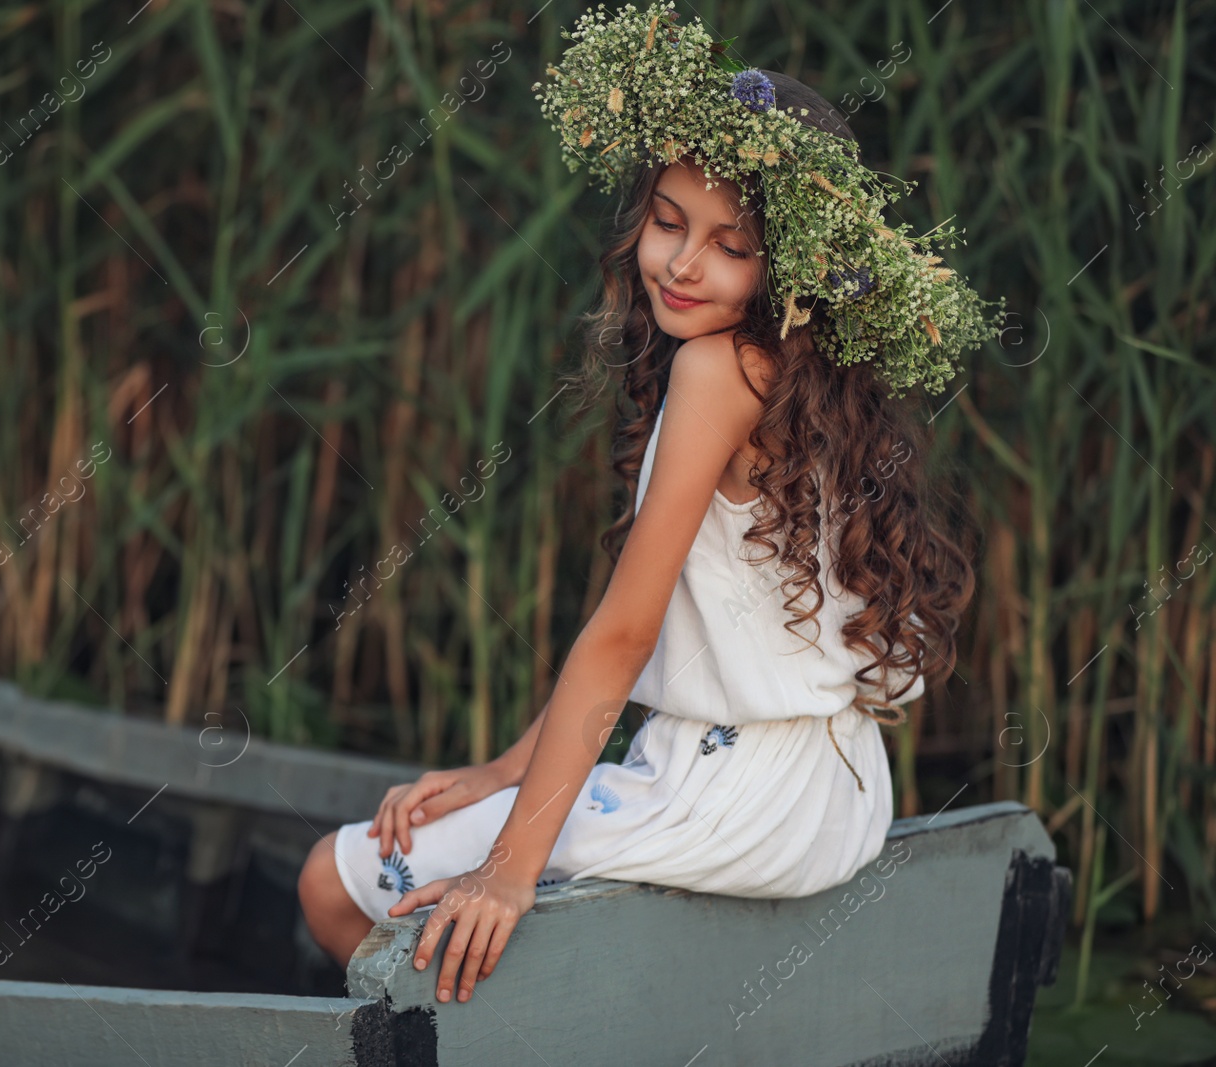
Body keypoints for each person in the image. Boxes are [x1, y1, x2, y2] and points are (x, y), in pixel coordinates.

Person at [297, 3, 999, 1006]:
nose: (680, 264)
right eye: (667, 223)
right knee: (451, 865)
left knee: (330, 881)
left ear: (788, 262)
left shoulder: (715, 370)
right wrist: (505, 768)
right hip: (834, 793)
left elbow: (624, 634)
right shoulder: (811, 377)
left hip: (729, 795)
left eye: (729, 244)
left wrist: (508, 866)